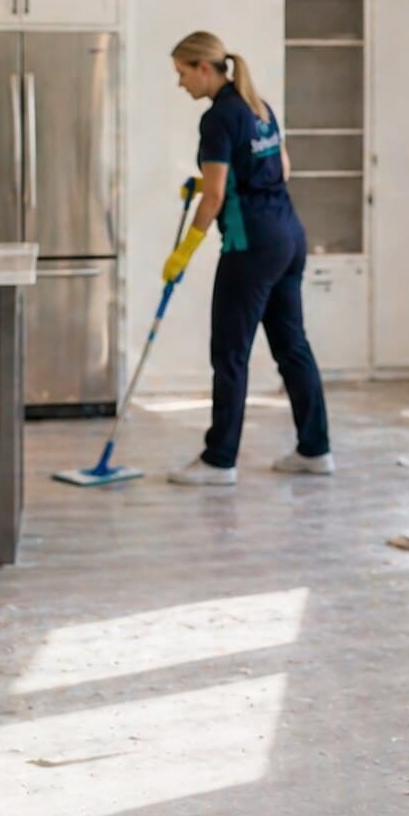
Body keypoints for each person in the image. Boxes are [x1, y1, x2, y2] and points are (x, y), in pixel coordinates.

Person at [160, 31, 332, 485]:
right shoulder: (258, 107)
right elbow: (281, 170)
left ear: (203, 68)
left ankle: (219, 460)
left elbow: (215, 198)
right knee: (292, 345)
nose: (180, 85)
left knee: (230, 354)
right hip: (288, 235)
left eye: (181, 73)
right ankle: (316, 450)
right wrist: (213, 184)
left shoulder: (217, 119)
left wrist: (183, 252)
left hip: (250, 246)